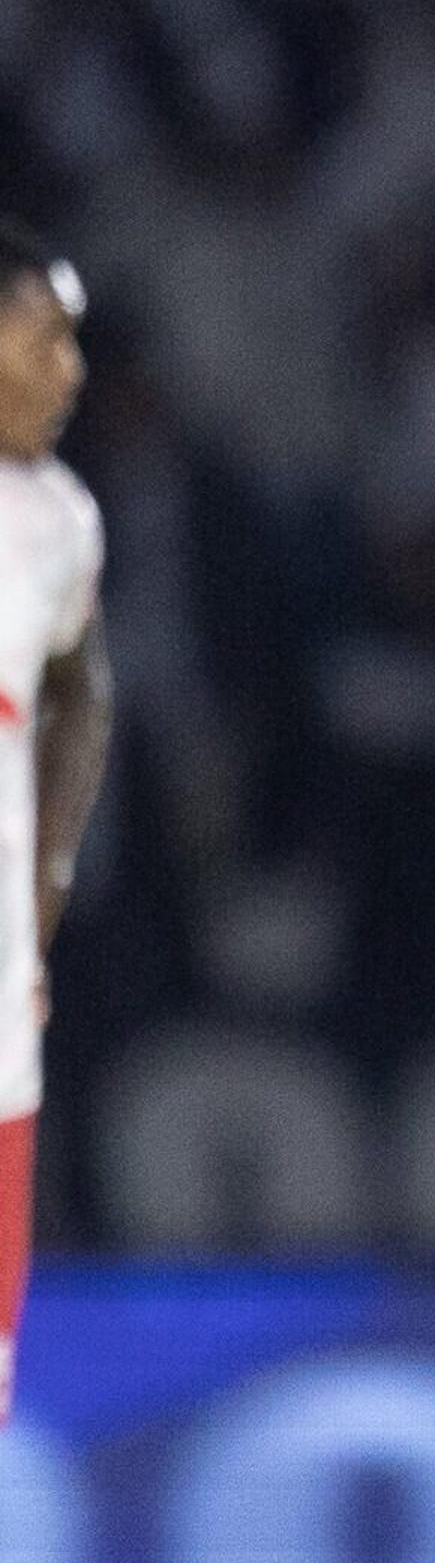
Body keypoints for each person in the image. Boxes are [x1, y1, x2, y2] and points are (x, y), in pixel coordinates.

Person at [0, 224, 111, 1422]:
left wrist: (45, 882)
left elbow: (85, 696)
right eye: (43, 339)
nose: (69, 372)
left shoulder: (58, 525)